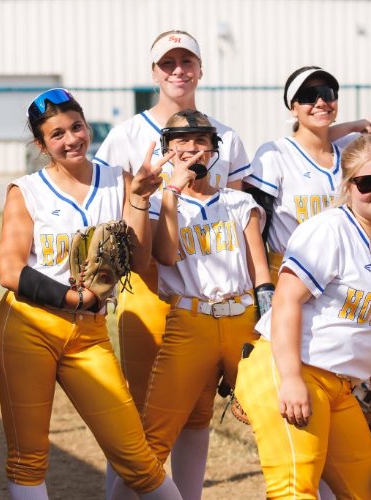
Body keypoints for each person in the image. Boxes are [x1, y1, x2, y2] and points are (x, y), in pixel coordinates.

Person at [0, 88, 178, 499]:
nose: (71, 139)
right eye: (56, 134)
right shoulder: (26, 190)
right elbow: (9, 270)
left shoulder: (118, 179)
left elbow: (142, 257)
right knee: (28, 458)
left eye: (76, 126)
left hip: (89, 335)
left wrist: (141, 198)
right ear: (42, 145)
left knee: (138, 458)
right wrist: (75, 299)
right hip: (28, 326)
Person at [91, 34, 252, 473]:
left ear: (200, 69)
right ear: (154, 72)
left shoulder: (226, 137)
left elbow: (236, 219)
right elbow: (110, 210)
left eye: (187, 61)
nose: (178, 70)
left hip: (207, 297)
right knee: (141, 418)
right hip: (145, 289)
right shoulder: (127, 134)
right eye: (168, 62)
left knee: (198, 416)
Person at [234, 134, 371, 499]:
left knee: (367, 493)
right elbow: (286, 301)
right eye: (367, 182)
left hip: (340, 386)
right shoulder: (330, 229)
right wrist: (289, 379)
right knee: (295, 490)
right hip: (290, 368)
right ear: (349, 187)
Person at [132, 110, 272, 500]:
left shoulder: (238, 201)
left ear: (214, 149)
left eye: (201, 140)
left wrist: (266, 334)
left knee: (277, 421)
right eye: (181, 141)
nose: (192, 148)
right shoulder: (160, 203)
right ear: (166, 150)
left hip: (242, 318)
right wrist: (172, 192)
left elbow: (260, 271)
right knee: (153, 439)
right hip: (189, 322)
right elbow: (166, 255)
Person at [243, 66, 360, 278]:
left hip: (345, 275)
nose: (321, 103)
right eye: (308, 97)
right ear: (293, 108)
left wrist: (357, 125)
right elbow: (255, 228)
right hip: (290, 272)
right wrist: (261, 283)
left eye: (328, 94)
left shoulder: (350, 155)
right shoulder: (275, 153)